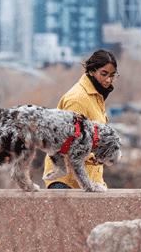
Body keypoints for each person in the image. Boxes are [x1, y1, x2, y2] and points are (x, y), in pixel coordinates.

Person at [44, 48, 119, 189]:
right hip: (67, 182)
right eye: (104, 74)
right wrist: (100, 156)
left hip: (87, 181)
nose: (109, 80)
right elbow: (68, 145)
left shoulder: (96, 96)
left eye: (112, 75)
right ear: (91, 71)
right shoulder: (78, 100)